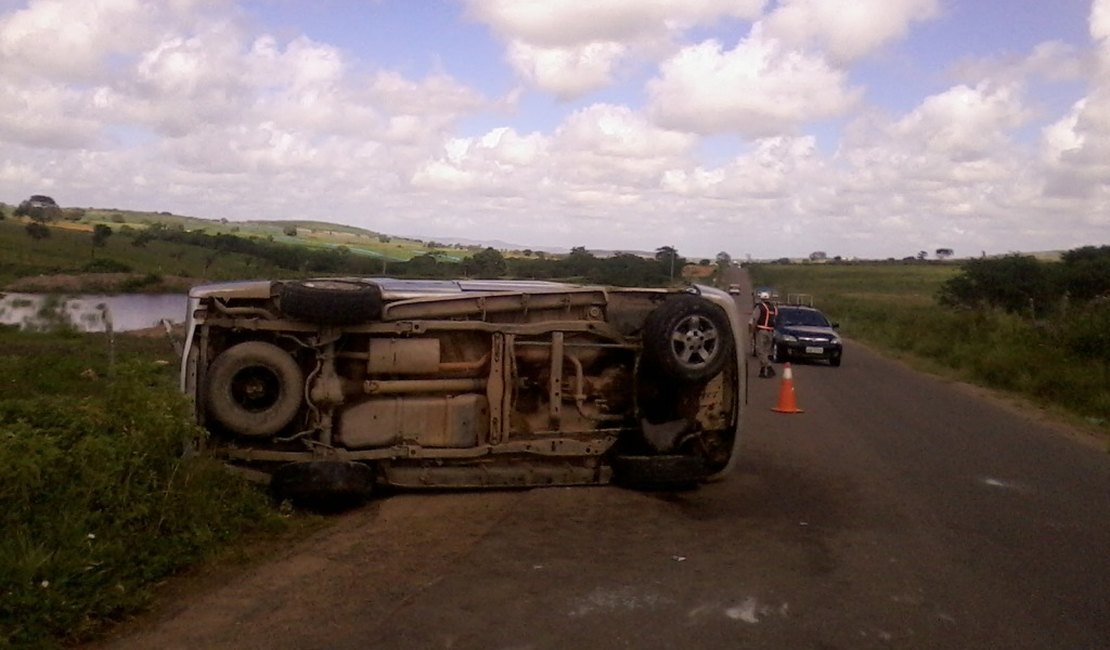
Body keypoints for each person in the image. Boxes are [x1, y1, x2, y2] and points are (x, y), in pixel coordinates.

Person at [751, 291, 777, 378]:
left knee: (759, 351)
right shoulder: (774, 308)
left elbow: (755, 319)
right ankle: (762, 371)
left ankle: (769, 367)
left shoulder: (760, 307)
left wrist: (753, 329)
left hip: (762, 331)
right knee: (765, 352)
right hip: (771, 331)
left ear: (761, 298)